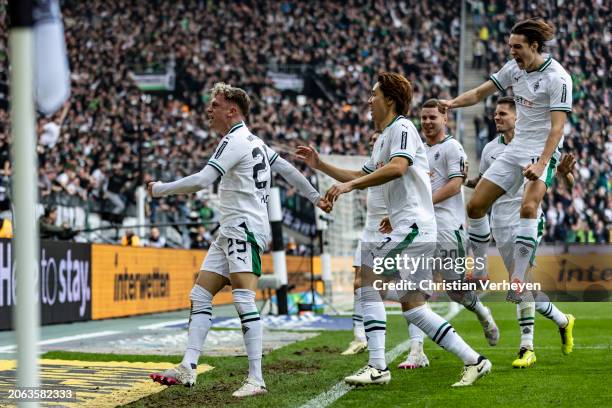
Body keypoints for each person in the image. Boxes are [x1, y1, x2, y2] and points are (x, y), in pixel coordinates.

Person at [299, 72, 491, 387]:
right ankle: (475, 360)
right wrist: (321, 165)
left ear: (389, 99)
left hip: (413, 225)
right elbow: (363, 172)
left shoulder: (401, 127)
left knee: (366, 278)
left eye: (373, 95)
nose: (369, 101)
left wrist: (349, 186)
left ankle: (377, 366)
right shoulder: (384, 138)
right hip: (411, 226)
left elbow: (398, 167)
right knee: (413, 307)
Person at [148, 82, 331, 398]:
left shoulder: (234, 140)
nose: (209, 109)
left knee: (244, 299)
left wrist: (161, 188)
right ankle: (188, 367)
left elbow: (204, 179)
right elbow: (287, 168)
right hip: (231, 230)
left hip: (243, 229)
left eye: (215, 105)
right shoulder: (255, 142)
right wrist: (315, 197)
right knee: (200, 294)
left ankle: (256, 379)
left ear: (232, 111)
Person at [439, 18, 573, 303]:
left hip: (543, 149)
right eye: (510, 46)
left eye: (517, 47)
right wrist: (452, 103)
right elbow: (479, 92)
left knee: (528, 206)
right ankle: (482, 270)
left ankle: (517, 279)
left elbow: (557, 128)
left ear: (534, 46)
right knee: (475, 206)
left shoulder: (558, 78)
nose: (512, 52)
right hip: (518, 148)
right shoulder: (514, 69)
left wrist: (542, 164)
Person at [465, 97, 575, 368]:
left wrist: (564, 174)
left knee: (520, 282)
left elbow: (568, 183)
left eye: (502, 113)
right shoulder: (490, 149)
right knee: (523, 286)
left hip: (527, 219)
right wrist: (462, 180)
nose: (497, 118)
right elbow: (483, 184)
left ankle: (527, 347)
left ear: (518, 117)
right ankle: (563, 320)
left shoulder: (537, 144)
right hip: (499, 222)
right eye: (495, 114)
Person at [397, 99, 499, 370]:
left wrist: (424, 203)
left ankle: (481, 311)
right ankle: (417, 351)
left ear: (445, 119)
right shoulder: (417, 150)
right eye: (424, 117)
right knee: (411, 291)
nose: (428, 122)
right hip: (419, 230)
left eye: (433, 117)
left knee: (456, 291)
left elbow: (455, 186)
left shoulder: (452, 147)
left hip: (448, 229)